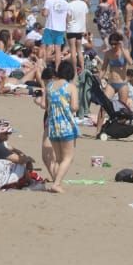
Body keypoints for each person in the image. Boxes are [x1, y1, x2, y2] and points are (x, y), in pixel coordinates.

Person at [44, 58, 80, 193]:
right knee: (68, 157)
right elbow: (75, 107)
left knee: (58, 158)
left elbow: (46, 107)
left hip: (53, 126)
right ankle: (57, 184)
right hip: (66, 125)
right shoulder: (71, 87)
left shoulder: (49, 86)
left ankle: (56, 181)